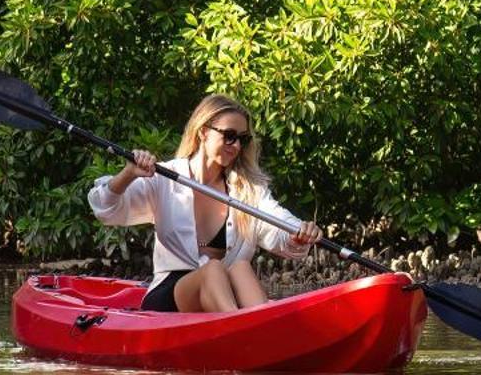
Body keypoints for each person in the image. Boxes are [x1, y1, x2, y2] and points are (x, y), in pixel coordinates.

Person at [88, 95, 322, 312]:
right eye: (229, 135)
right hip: (171, 295)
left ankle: (260, 335)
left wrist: (297, 232)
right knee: (213, 268)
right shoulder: (164, 178)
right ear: (203, 132)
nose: (237, 146)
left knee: (240, 267)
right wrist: (129, 174)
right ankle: (244, 337)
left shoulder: (248, 189)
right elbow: (105, 209)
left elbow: (277, 220)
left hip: (224, 295)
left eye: (243, 139)